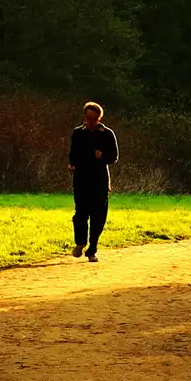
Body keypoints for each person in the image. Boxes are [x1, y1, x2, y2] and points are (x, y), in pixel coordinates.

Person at [67, 101, 118, 261]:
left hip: (100, 180)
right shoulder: (77, 133)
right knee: (80, 213)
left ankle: (93, 248)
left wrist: (102, 156)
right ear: (84, 116)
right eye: (88, 117)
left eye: (93, 118)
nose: (90, 121)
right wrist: (71, 164)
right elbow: (72, 154)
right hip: (81, 179)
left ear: (99, 118)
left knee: (98, 216)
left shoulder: (107, 134)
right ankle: (80, 243)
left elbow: (114, 157)